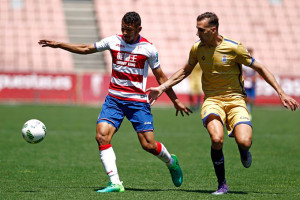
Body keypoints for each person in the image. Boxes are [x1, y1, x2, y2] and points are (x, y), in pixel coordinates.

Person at [147, 12, 299, 195]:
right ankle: (222, 184)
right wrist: (162, 87)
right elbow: (184, 71)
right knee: (217, 139)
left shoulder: (234, 48)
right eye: (197, 29)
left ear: (213, 30)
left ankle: (244, 150)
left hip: (236, 100)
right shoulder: (197, 48)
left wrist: (281, 93)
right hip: (212, 100)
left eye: (201, 30)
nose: (197, 33)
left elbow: (260, 67)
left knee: (244, 141)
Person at [39, 11, 191, 193]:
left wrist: (175, 100)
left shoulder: (148, 49)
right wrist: (59, 44)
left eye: (129, 30)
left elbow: (161, 77)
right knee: (101, 136)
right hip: (114, 100)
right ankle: (115, 183)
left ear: (139, 29)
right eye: (123, 29)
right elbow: (87, 49)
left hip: (137, 103)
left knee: (148, 145)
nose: (125, 33)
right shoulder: (113, 41)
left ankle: (170, 161)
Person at [242, 48, 256, 118]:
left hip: (252, 84)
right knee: (246, 98)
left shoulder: (255, 62)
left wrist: (254, 79)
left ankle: (249, 111)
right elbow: (242, 72)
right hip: (246, 83)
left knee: (251, 100)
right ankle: (247, 113)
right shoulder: (243, 63)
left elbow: (256, 72)